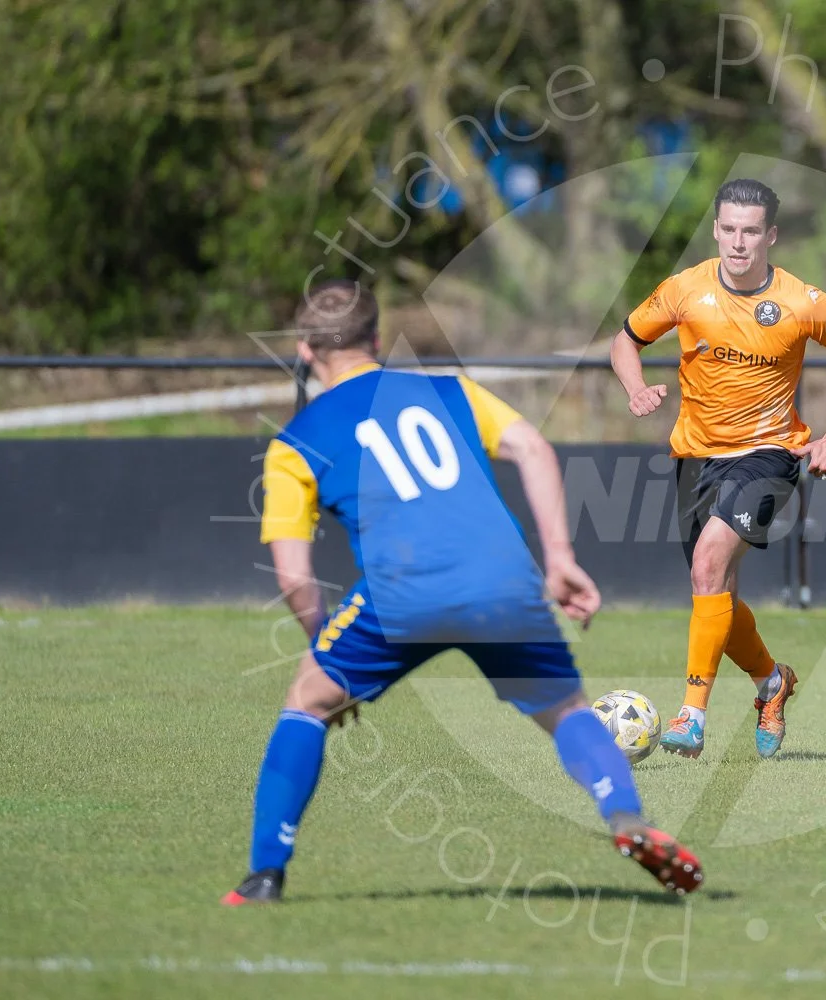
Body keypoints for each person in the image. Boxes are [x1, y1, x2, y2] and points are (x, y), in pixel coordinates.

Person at [222, 280, 702, 905]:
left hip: (401, 594)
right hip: (505, 580)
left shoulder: (294, 443)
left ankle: (265, 875)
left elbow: (292, 577)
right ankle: (626, 818)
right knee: (568, 712)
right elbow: (531, 446)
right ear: (375, 339)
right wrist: (559, 559)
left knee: (308, 702)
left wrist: (327, 652)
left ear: (307, 354)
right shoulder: (448, 390)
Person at [609, 178, 826, 761]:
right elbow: (624, 341)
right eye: (729, 229)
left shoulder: (802, 301)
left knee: (710, 563)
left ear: (772, 235)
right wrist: (635, 389)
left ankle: (691, 714)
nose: (739, 242)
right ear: (715, 230)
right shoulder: (685, 289)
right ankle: (771, 682)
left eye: (752, 231)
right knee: (714, 592)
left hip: (769, 455)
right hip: (694, 458)